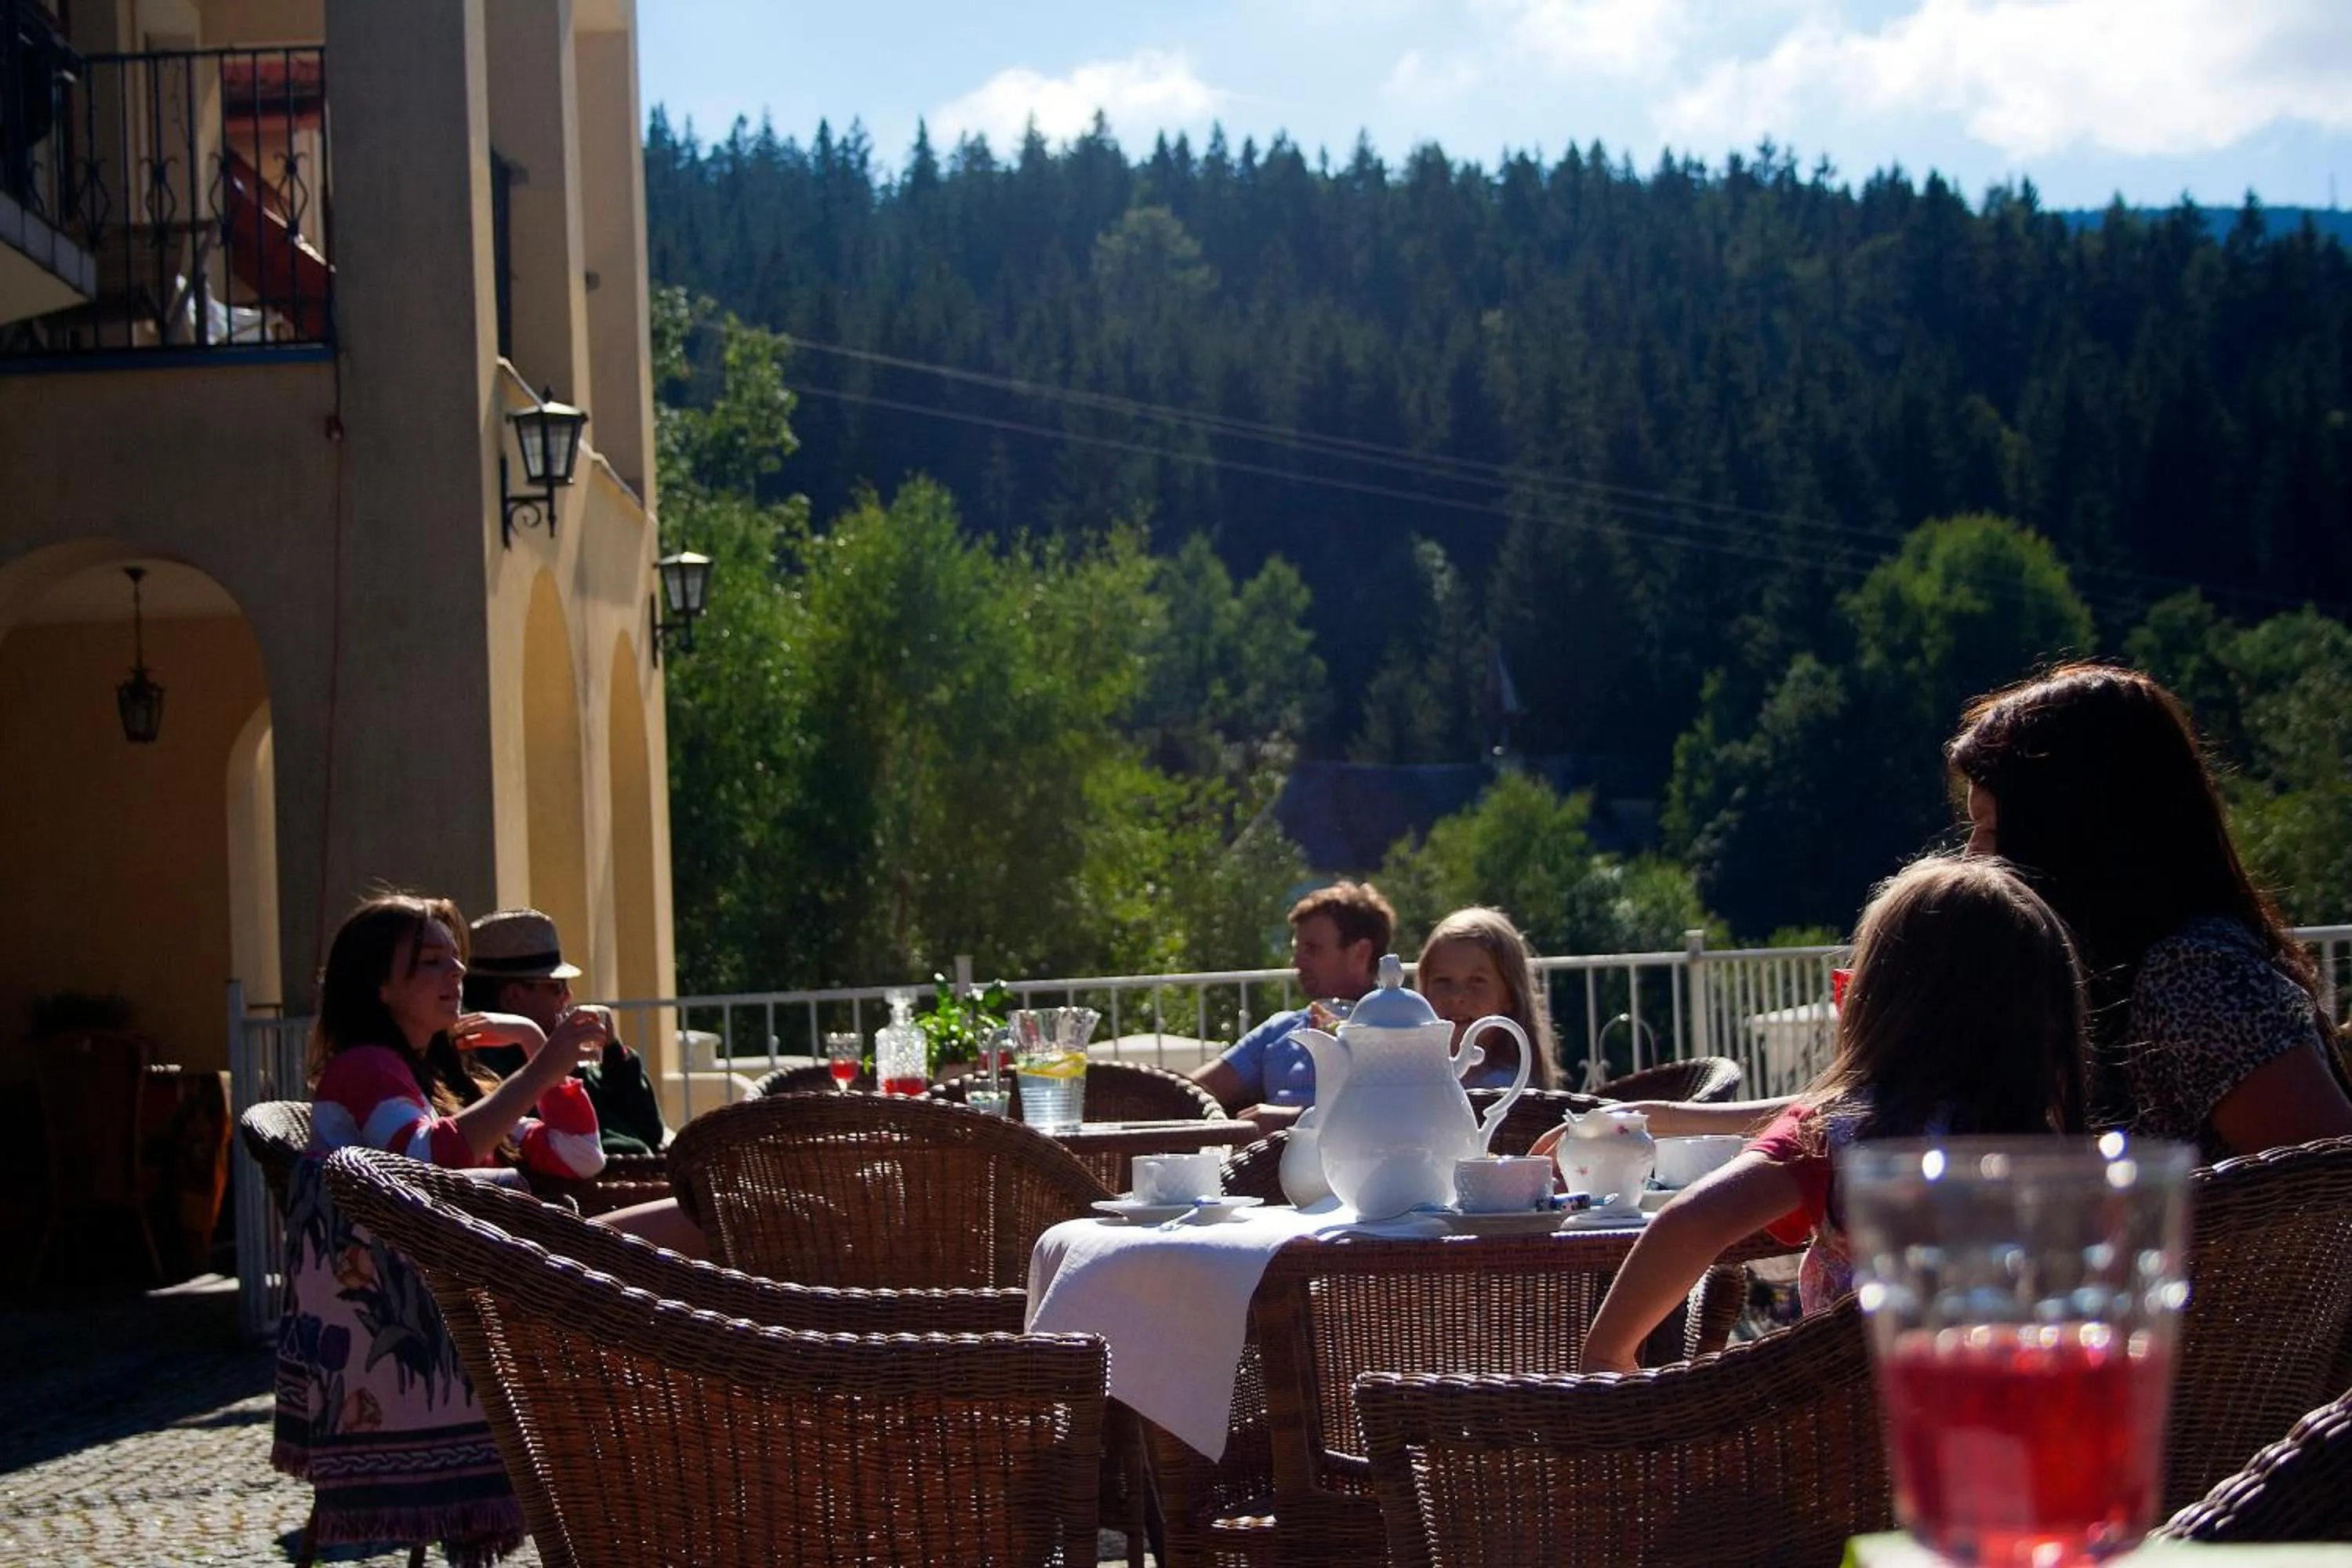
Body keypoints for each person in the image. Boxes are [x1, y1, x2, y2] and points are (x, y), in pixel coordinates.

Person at [1576, 855, 2091, 1373]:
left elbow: (1689, 1221)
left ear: (1878, 1009)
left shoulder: (1841, 1137)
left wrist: (1610, 1355)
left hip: (1848, 1440)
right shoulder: (2058, 1166)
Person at [274, 892, 607, 1566]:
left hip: (473, 1283)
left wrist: (535, 1045)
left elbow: (579, 1155)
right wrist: (544, 1067)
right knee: (677, 1234)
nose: (455, 972)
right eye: (430, 962)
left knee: (675, 1231)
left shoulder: (428, 1078)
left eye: (456, 958)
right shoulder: (367, 1068)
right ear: (381, 985)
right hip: (444, 1300)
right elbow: (428, 1161)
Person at [1947, 662, 2352, 1160]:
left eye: (1988, 830)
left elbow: (2332, 1186)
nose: (1972, 858)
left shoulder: (2194, 978)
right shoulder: (2115, 975)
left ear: (2068, 834)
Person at [461, 907, 669, 1155]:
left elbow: (650, 1129)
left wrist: (614, 1052)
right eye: (557, 987)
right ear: (513, 996)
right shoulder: (481, 1062)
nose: (569, 996)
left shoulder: (564, 1051)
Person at [1192, 880, 1395, 1128]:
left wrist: (1294, 1119)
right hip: (1266, 1164)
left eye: (1312, 949)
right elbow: (1193, 1091)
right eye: (1297, 950)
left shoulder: (1396, 1027)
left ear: (1361, 953)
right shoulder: (1280, 1029)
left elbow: (1399, 1112)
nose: (1297, 962)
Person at [1417, 906, 1558, 1090]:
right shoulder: (1415, 1076)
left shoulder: (1508, 1090)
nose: (1457, 996)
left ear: (1509, 996)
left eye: (1477, 981)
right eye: (1443, 981)